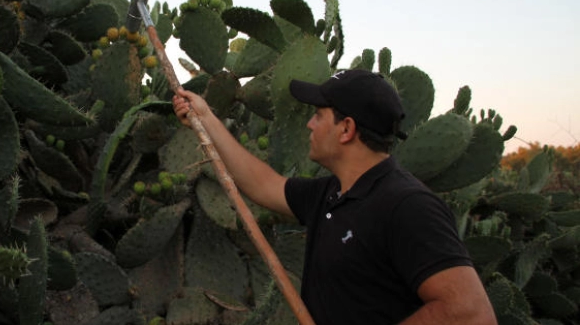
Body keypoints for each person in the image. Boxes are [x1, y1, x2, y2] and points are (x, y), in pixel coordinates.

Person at [172, 69, 497, 325]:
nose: (310, 125)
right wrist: (207, 120)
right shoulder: (333, 193)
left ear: (347, 129)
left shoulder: (407, 205)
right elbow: (264, 185)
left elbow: (470, 313)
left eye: (319, 115)